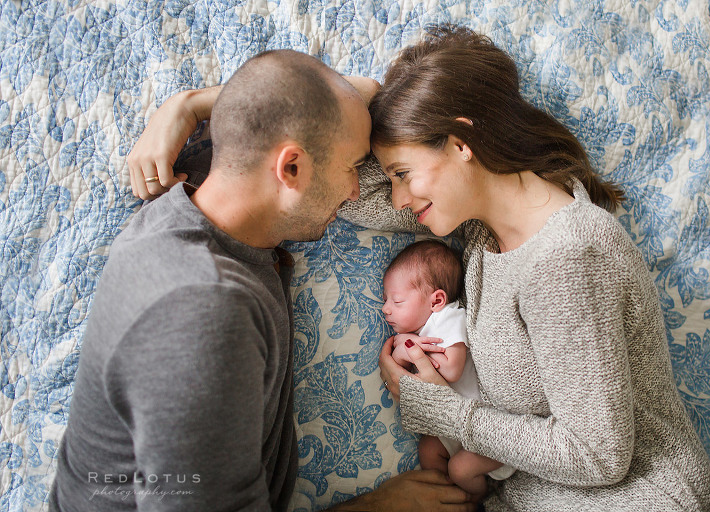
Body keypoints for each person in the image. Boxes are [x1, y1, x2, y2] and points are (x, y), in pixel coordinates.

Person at [126, 26, 710, 511]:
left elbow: (597, 456)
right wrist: (194, 107)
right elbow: (318, 152)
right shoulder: (480, 230)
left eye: (402, 174)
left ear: (461, 143)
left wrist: (434, 405)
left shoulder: (568, 255)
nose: (394, 197)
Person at [52, 49, 475, 512]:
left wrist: (189, 105)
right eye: (352, 167)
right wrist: (381, 506)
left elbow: (354, 93)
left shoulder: (201, 199)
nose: (358, 191)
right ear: (291, 168)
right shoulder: (201, 313)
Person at [381, 239, 515, 500]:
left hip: (489, 431)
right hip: (453, 427)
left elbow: (452, 370)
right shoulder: (418, 332)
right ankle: (447, 496)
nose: (386, 309)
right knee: (428, 449)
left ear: (437, 300)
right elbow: (399, 370)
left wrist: (414, 350)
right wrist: (401, 350)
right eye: (385, 300)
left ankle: (475, 500)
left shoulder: (449, 318)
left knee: (460, 468)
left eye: (397, 301)